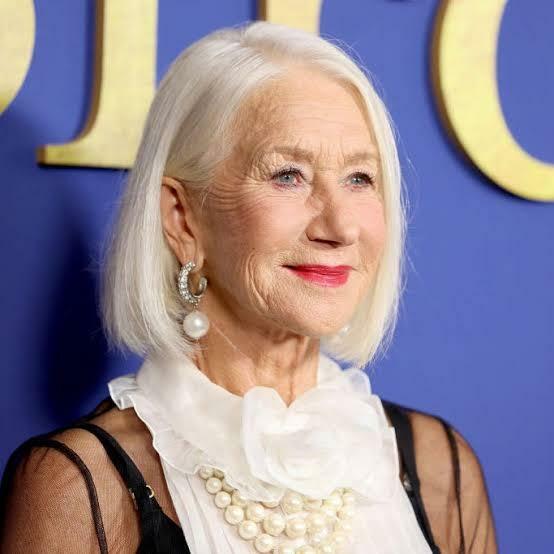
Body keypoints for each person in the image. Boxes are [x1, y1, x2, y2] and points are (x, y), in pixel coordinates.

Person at [0, 21, 498, 554]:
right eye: (288, 175)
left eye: (359, 178)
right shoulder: (79, 488)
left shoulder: (442, 471)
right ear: (182, 218)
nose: (340, 227)